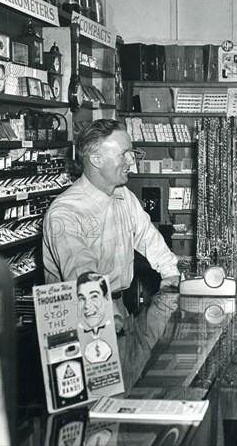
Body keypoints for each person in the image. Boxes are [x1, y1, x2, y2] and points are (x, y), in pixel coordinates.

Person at [43, 119, 180, 387]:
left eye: (132, 152)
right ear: (96, 159)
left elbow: (148, 237)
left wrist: (170, 273)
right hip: (75, 317)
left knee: (123, 394)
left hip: (116, 307)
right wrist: (106, 317)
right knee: (86, 410)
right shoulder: (66, 212)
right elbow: (81, 270)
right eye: (124, 154)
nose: (132, 160)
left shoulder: (123, 196)